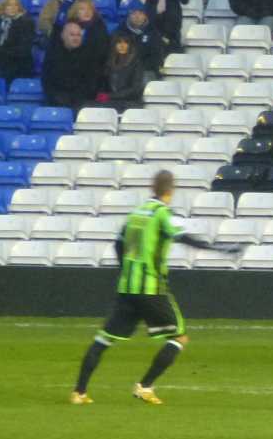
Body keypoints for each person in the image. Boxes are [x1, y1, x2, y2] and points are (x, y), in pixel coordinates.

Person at [71, 170, 240, 406]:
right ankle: (145, 386)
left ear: (153, 187)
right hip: (150, 289)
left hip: (127, 288)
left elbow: (118, 244)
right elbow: (182, 237)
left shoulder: (135, 214)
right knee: (179, 338)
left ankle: (79, 392)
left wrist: (125, 270)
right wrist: (219, 249)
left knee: (104, 339)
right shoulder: (161, 214)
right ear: (171, 191)